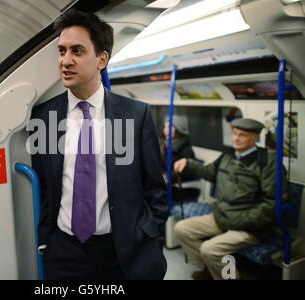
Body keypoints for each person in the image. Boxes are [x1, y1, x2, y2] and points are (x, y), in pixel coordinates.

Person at [29, 10, 168, 280]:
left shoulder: (135, 115)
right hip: (65, 254)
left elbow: (155, 189)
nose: (65, 61)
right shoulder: (44, 117)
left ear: (101, 59)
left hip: (123, 252)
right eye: (61, 51)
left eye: (77, 51)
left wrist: (149, 236)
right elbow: (45, 185)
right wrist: (46, 239)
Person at [173, 118, 286, 280]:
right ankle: (209, 269)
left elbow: (273, 203)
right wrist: (188, 163)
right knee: (182, 229)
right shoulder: (227, 156)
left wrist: (243, 220)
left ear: (255, 137)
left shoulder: (269, 163)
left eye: (243, 135)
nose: (236, 138)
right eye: (234, 133)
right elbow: (209, 173)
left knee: (209, 249)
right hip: (223, 217)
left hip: (249, 226)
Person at [160, 116, 195, 181]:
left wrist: (166, 177)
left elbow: (185, 174)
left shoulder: (186, 151)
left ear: (179, 129)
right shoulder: (165, 146)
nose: (166, 130)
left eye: (170, 127)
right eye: (165, 127)